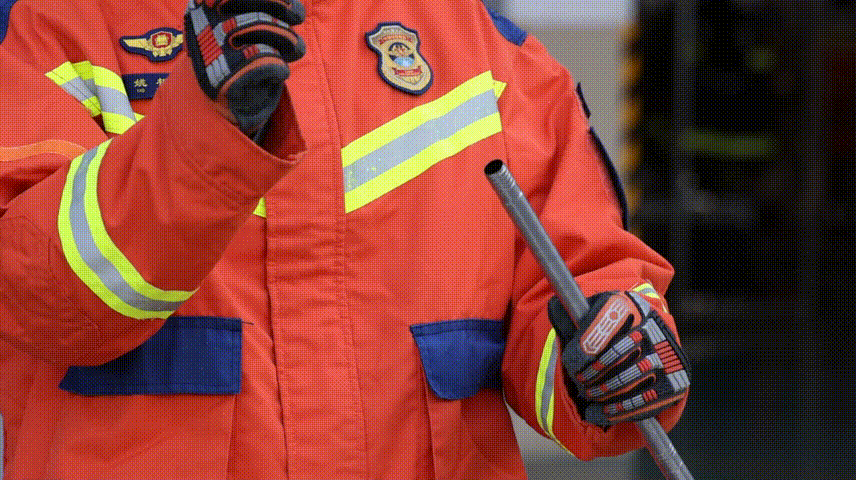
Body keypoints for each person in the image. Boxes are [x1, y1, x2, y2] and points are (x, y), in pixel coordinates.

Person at [0, 0, 690, 478]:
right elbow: (39, 296)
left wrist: (612, 359)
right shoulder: (56, 30)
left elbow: (581, 279)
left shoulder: (488, 57)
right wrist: (203, 136)